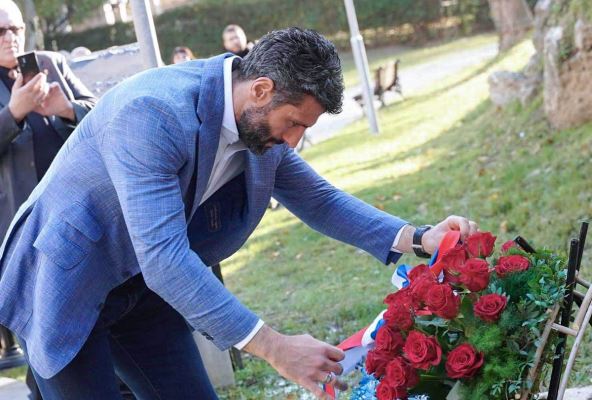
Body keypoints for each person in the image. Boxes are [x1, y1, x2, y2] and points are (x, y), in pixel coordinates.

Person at [0, 27, 478, 399]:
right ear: (262, 89)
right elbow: (165, 257)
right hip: (64, 277)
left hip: (140, 286)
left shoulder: (257, 121)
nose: (294, 141)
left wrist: (420, 238)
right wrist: (273, 346)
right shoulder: (154, 113)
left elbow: (320, 200)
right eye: (293, 124)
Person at [0, 1, 97, 398]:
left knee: (88, 322)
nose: (10, 37)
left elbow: (103, 117)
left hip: (77, 218)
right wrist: (13, 113)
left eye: (15, 29)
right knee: (42, 329)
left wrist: (67, 110)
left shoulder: (51, 63)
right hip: (20, 231)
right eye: (0, 31)